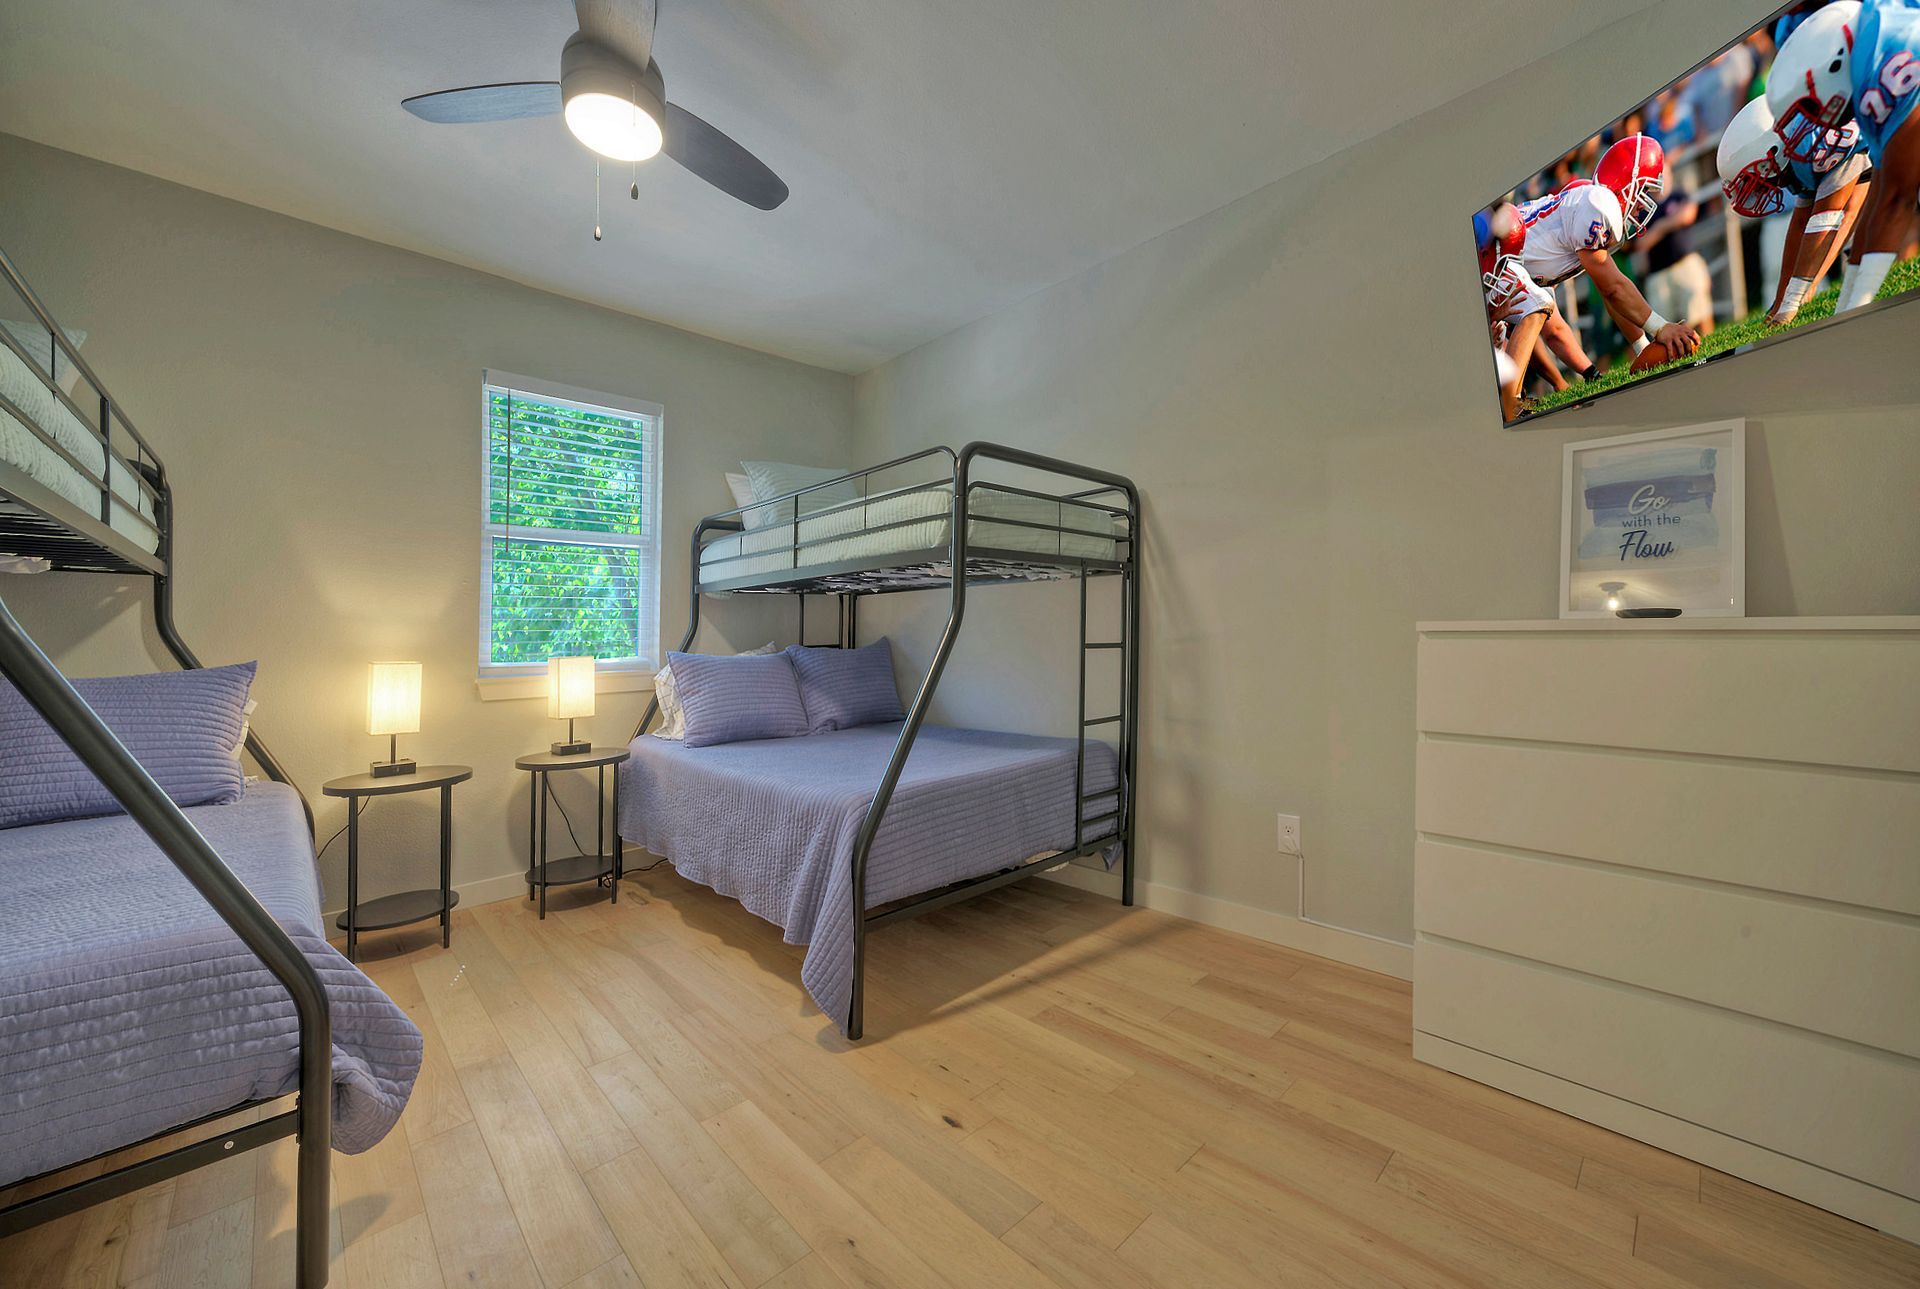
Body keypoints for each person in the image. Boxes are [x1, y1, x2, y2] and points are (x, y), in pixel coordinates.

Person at [1770, 0, 1920, 311]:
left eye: (1810, 107)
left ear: (1834, 63)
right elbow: (1875, 203)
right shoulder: (1867, 52)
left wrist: (1857, 307)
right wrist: (1847, 305)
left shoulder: (1886, 56)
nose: (1816, 120)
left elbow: (1895, 202)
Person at [1512, 135, 1703, 370]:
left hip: (1506, 264)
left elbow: (1610, 294)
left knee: (1536, 312)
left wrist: (1642, 347)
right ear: (1627, 182)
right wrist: (1661, 327)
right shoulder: (1596, 206)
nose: (1643, 204)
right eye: (1643, 190)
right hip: (1494, 264)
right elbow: (1614, 289)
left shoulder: (1587, 202)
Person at [1717, 97, 1873, 324]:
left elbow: (1829, 219)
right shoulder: (1797, 148)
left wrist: (1791, 304)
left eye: (1752, 178)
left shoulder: (1816, 138)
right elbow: (1800, 223)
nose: (1756, 189)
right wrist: (1783, 298)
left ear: (1772, 149)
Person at [1636, 166, 1715, 335]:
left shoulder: (1678, 195)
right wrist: (1671, 222)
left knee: (1699, 312)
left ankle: (1712, 349)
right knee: (1664, 327)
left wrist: (1659, 227)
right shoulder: (1644, 209)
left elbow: (1688, 215)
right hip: (1658, 272)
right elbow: (1641, 242)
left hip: (1685, 262)